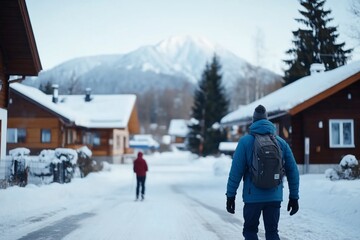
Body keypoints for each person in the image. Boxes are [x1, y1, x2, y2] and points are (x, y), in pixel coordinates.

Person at [226, 104, 300, 240]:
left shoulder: (245, 142)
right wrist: (294, 197)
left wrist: (230, 196)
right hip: (274, 196)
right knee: (272, 233)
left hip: (252, 197)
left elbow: (235, 171)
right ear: (267, 121)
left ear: (253, 121)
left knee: (250, 231)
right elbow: (293, 170)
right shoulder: (280, 142)